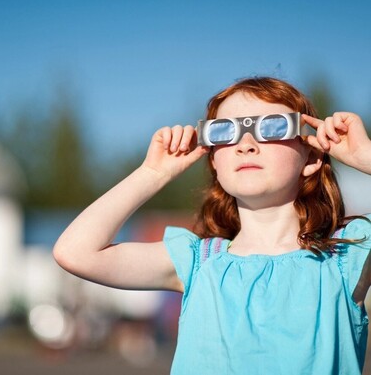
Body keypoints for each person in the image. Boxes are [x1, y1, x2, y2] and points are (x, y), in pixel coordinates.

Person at [53, 77, 371, 374]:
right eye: (225, 132)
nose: (246, 144)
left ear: (312, 157)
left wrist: (363, 155)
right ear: (214, 160)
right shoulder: (197, 263)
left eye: (272, 127)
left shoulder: (347, 256)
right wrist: (153, 174)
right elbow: (75, 252)